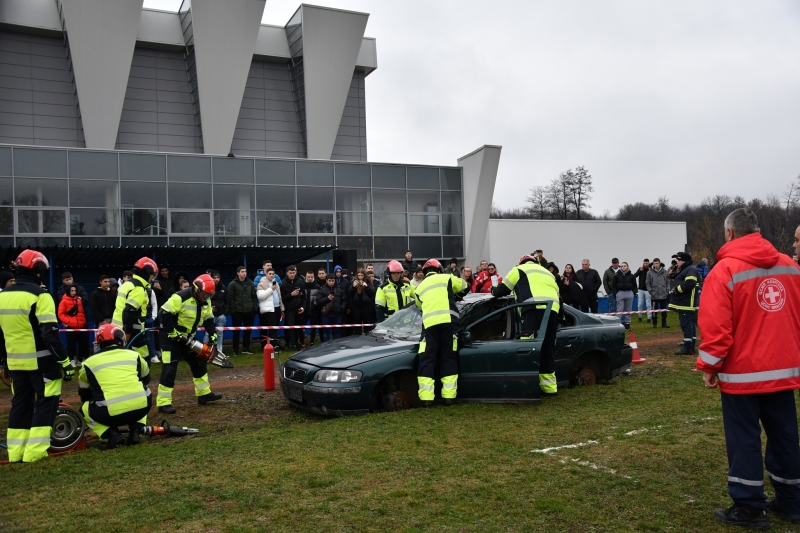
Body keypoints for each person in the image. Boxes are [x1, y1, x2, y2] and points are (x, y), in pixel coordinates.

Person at [698, 208, 800, 529]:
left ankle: (750, 507)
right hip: (784, 372)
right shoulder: (791, 266)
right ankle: (792, 501)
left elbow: (717, 328)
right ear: (756, 230)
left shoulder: (723, 271)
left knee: (744, 438)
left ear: (730, 233)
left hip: (742, 374)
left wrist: (709, 366)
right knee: (785, 436)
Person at [0, 250, 72, 463]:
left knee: (20, 405)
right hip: (42, 363)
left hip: (15, 363)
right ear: (39, 271)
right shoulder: (41, 296)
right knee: (45, 404)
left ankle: (15, 453)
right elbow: (49, 333)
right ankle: (35, 453)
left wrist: (5, 363)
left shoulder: (2, 296)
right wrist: (65, 361)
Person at [492, 254, 562, 395]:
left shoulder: (518, 270)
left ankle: (529, 385)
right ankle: (550, 388)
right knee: (548, 347)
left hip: (532, 309)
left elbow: (502, 290)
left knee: (529, 347)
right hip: (552, 310)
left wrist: (493, 290)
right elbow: (559, 295)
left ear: (521, 262)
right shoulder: (547, 272)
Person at [78, 324, 151, 449]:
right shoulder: (135, 355)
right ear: (120, 339)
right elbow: (146, 379)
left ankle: (111, 433)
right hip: (141, 409)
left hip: (109, 414)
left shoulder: (88, 363)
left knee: (85, 407)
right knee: (142, 392)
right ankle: (136, 431)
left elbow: (83, 392)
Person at [156, 274, 222, 414]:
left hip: (188, 337)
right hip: (170, 337)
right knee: (170, 368)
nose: (207, 297)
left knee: (199, 361)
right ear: (197, 289)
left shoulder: (206, 300)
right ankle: (163, 403)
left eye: (209, 295)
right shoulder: (180, 297)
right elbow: (163, 313)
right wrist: (173, 332)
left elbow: (209, 318)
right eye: (205, 294)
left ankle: (204, 394)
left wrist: (212, 334)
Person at [413, 259, 469, 406]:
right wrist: (454, 295)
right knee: (448, 357)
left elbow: (420, 307)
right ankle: (449, 397)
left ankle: (427, 399)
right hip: (449, 323)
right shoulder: (447, 277)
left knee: (427, 359)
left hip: (429, 325)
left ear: (424, 274)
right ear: (439, 270)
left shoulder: (418, 287)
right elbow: (465, 287)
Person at [112, 257, 158, 361]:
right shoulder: (139, 288)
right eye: (152, 275)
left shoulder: (127, 284)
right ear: (146, 273)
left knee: (124, 359)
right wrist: (128, 333)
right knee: (143, 359)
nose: (152, 278)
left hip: (118, 328)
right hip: (132, 330)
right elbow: (129, 311)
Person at [669, 252, 700, 355]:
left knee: (686, 325)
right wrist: (672, 275)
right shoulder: (684, 269)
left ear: (684, 260)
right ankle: (691, 345)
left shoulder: (690, 269)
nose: (676, 261)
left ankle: (687, 347)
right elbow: (680, 280)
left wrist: (677, 290)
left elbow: (690, 283)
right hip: (683, 301)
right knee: (689, 324)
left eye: (678, 259)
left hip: (686, 302)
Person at [228, 266, 258, 356]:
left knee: (247, 330)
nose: (244, 273)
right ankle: (235, 349)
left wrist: (254, 308)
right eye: (242, 271)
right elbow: (230, 298)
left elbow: (254, 296)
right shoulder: (232, 284)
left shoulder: (250, 283)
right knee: (236, 331)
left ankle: (246, 348)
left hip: (249, 311)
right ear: (238, 273)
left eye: (245, 271)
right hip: (237, 311)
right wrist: (233, 310)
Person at [58, 284, 91, 366]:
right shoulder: (64, 301)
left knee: (83, 344)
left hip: (81, 326)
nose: (74, 292)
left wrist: (83, 322)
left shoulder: (79, 300)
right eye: (72, 291)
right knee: (71, 345)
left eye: (75, 291)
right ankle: (72, 359)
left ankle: (80, 359)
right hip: (70, 327)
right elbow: (60, 314)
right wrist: (69, 321)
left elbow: (82, 312)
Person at [280, 265, 306, 351]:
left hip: (298, 308)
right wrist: (291, 295)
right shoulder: (283, 283)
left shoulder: (300, 282)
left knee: (298, 328)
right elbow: (282, 298)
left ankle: (297, 343)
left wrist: (303, 307)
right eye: (290, 273)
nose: (292, 274)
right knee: (290, 327)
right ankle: (292, 344)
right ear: (287, 273)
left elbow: (304, 297)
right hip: (289, 309)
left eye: (293, 272)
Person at [257, 269, 284, 349]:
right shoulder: (261, 284)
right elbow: (260, 297)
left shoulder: (276, 284)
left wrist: (282, 309)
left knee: (275, 328)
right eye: (270, 274)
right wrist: (271, 289)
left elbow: (279, 297)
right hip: (268, 309)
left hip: (277, 308)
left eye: (273, 274)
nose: (272, 275)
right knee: (272, 328)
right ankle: (275, 345)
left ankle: (273, 343)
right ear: (266, 274)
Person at [316, 275, 346, 341]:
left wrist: (341, 308)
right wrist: (327, 298)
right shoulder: (322, 290)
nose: (331, 282)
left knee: (337, 331)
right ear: (327, 281)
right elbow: (318, 301)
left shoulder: (339, 289)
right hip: (326, 314)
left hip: (337, 314)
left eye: (333, 281)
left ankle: (336, 347)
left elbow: (344, 300)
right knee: (326, 331)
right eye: (329, 281)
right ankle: (326, 347)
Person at [204, 270, 226, 354]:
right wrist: (210, 309)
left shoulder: (224, 288)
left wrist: (225, 312)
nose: (216, 279)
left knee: (220, 334)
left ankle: (219, 352)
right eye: (214, 277)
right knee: (207, 333)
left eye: (218, 277)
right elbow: (204, 300)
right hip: (210, 315)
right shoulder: (208, 289)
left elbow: (227, 301)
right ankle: (205, 351)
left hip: (221, 315)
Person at [611, 262, 637, 330]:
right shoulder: (616, 276)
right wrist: (616, 293)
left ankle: (627, 325)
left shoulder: (632, 276)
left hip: (629, 293)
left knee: (628, 310)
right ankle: (618, 324)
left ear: (627, 266)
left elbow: (635, 285)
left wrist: (633, 292)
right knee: (620, 309)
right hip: (620, 293)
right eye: (622, 266)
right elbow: (614, 285)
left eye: (625, 266)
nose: (623, 267)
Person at [348, 269, 375, 335]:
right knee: (357, 323)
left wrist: (367, 287)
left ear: (364, 275)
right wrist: (353, 287)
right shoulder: (353, 282)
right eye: (359, 275)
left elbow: (372, 293)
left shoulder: (368, 282)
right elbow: (349, 293)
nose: (360, 277)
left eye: (362, 275)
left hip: (366, 305)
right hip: (356, 305)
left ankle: (368, 336)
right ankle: (358, 336)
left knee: (367, 323)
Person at [646, 258, 670, 328]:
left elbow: (668, 282)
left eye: (657, 263)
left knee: (664, 310)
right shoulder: (649, 273)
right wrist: (650, 291)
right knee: (654, 310)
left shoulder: (665, 272)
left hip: (663, 294)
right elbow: (647, 283)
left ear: (660, 263)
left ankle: (664, 323)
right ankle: (654, 323)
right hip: (654, 295)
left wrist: (667, 291)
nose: (655, 265)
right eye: (654, 263)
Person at [302, 271, 322, 346]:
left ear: (313, 277)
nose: (310, 278)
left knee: (313, 327)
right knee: (302, 326)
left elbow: (319, 298)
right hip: (304, 311)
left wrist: (316, 304)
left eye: (311, 277)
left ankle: (312, 341)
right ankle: (302, 341)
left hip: (314, 310)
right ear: (306, 277)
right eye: (308, 277)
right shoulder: (303, 286)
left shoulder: (317, 286)